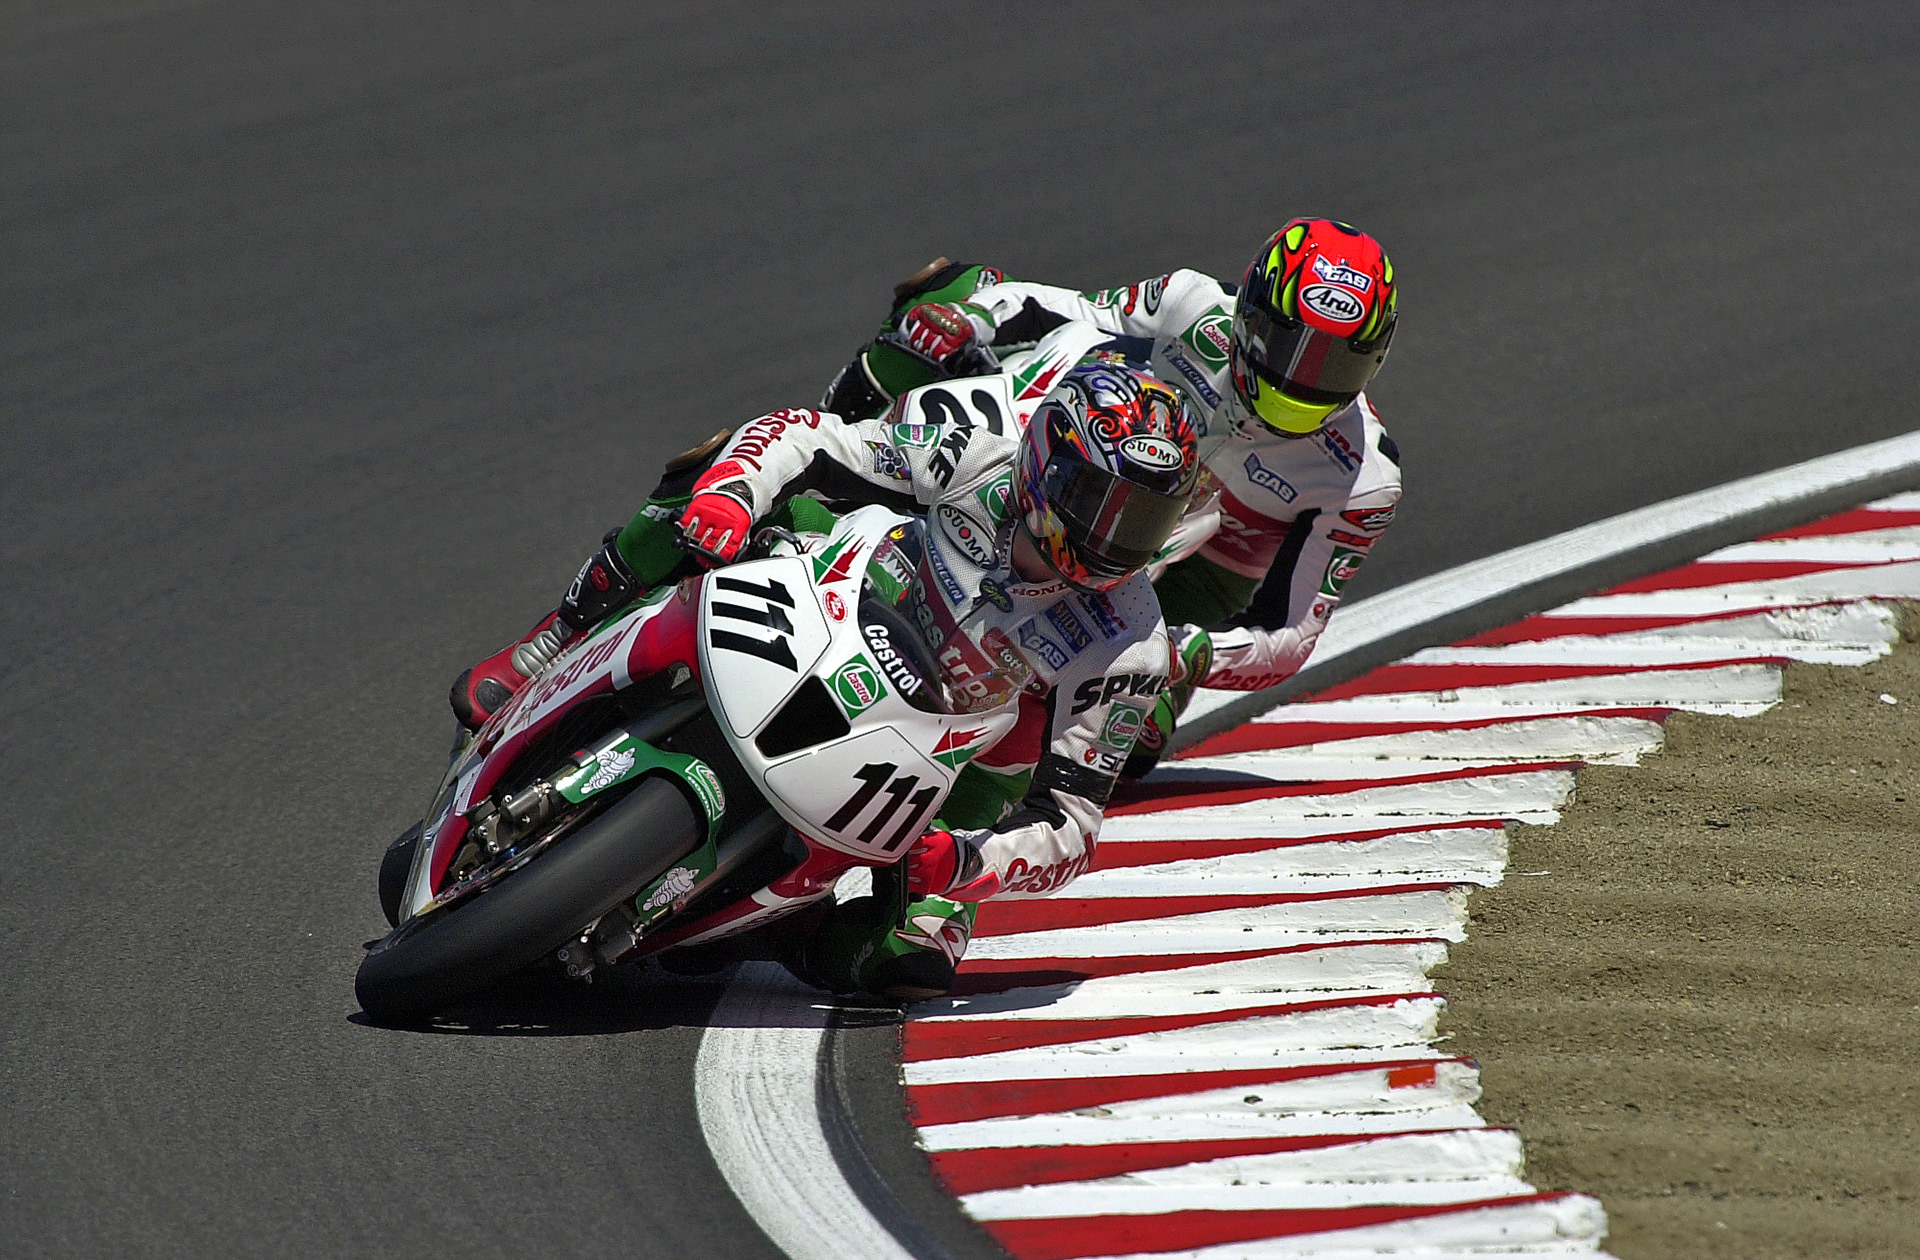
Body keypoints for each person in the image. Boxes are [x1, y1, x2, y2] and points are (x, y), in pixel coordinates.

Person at [451, 360, 1200, 999]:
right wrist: (732, 496)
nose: (1114, 537)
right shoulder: (976, 460)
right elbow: (813, 435)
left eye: (1142, 519)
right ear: (1046, 463)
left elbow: (1072, 824)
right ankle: (554, 640)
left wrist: (969, 859)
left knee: (909, 964)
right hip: (827, 598)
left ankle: (782, 927)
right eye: (1101, 502)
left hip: (938, 751)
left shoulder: (1130, 642)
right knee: (699, 489)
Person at [820, 219, 1403, 769]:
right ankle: (814, 454)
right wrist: (974, 317)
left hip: (1190, 576)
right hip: (1096, 463)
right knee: (938, 318)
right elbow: (1062, 309)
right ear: (1248, 315)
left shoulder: (1362, 475)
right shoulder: (1191, 303)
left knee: (1131, 742)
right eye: (1288, 346)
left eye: (1333, 364)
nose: (1301, 377)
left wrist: (1182, 652)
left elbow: (1290, 638)